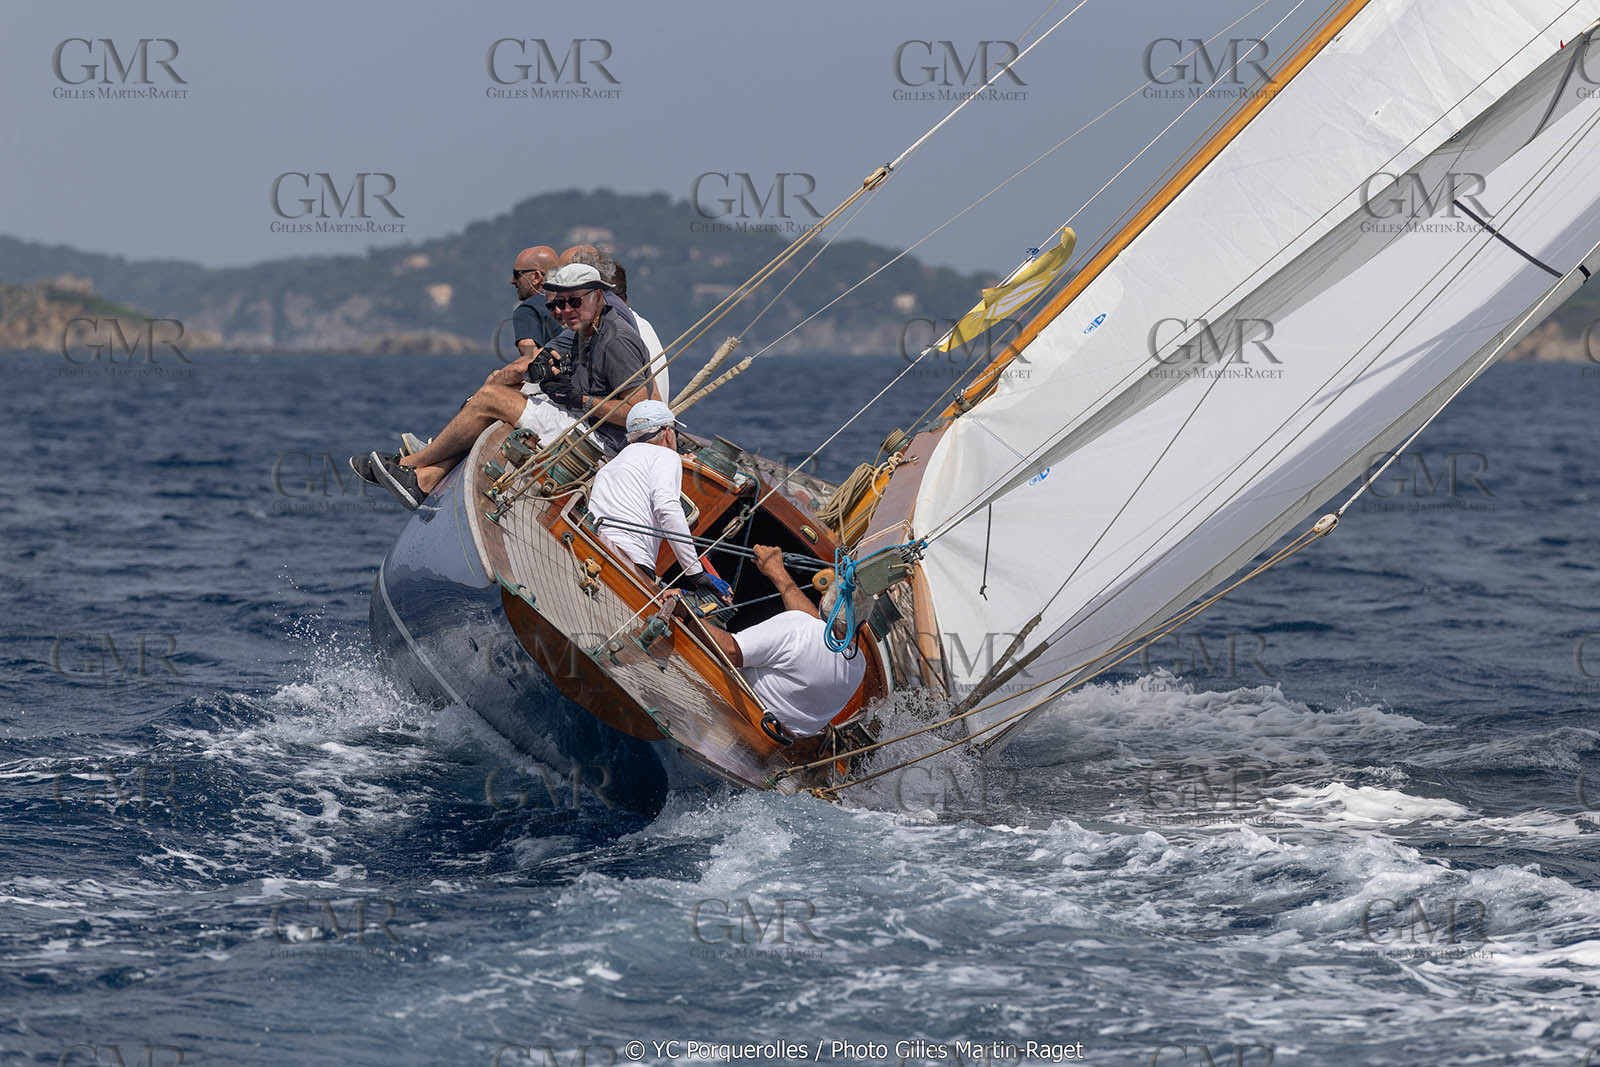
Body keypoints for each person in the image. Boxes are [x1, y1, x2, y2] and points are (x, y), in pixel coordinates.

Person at [356, 263, 649, 508]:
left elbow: (638, 413)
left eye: (575, 302)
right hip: (579, 421)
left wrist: (580, 400)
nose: (565, 310)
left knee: (489, 400)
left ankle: (410, 465)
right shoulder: (583, 331)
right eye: (558, 304)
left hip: (601, 444)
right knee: (498, 398)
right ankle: (426, 479)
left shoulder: (617, 339)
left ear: (599, 296)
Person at [704, 545, 867, 739]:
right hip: (779, 743)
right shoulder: (858, 665)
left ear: (822, 602)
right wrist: (778, 573)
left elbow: (730, 651)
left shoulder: (799, 629)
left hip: (735, 721)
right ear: (862, 623)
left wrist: (686, 615)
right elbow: (814, 628)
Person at [587, 400, 725, 598]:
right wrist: (696, 574)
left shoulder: (613, 462)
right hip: (632, 560)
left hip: (597, 544)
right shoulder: (666, 456)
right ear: (668, 433)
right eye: (675, 433)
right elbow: (667, 508)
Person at [510, 245, 561, 357]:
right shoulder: (573, 305)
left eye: (517, 274)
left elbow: (530, 357)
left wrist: (501, 374)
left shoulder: (527, 310)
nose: (512, 281)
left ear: (536, 277)